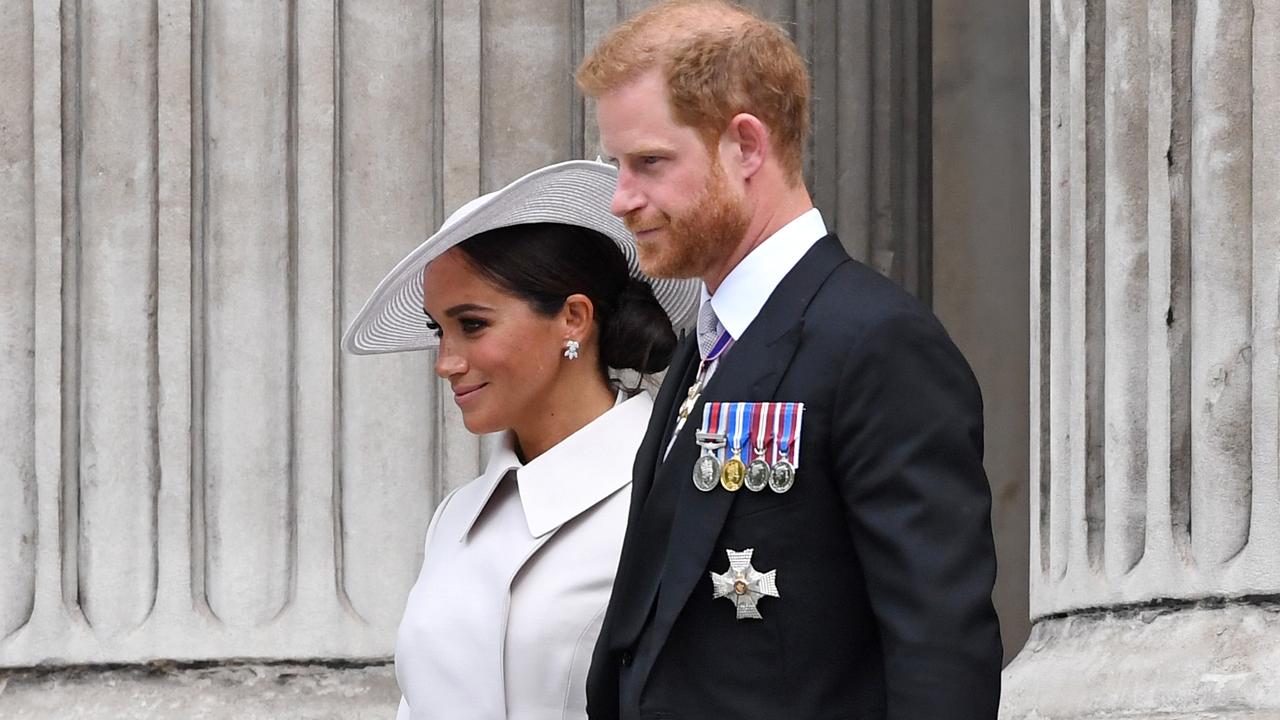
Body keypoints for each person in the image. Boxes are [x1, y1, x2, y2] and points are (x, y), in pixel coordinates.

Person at [575, 2, 1004, 719]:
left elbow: (940, 650)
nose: (621, 199)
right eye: (616, 165)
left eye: (649, 162)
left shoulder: (876, 341)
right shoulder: (707, 344)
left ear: (746, 146)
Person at [342, 160, 699, 719]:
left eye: (473, 324)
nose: (445, 363)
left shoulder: (671, 503)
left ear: (573, 319)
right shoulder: (455, 518)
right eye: (440, 330)